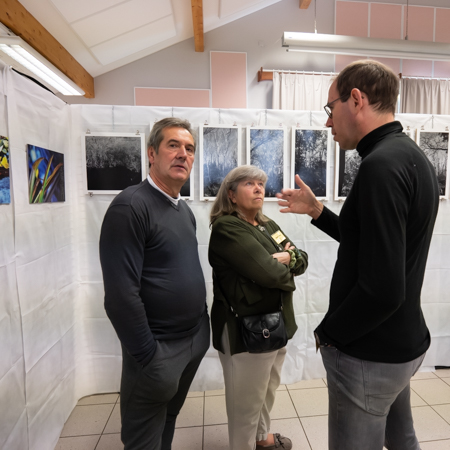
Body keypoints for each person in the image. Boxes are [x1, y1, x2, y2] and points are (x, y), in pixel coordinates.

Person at [277, 60, 439, 450]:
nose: (329, 123)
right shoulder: (410, 156)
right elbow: (370, 242)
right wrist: (318, 212)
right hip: (400, 343)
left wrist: (330, 335)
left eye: (330, 110)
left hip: (370, 351)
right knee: (403, 441)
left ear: (356, 99)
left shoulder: (381, 165)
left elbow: (384, 289)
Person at [99, 117, 210, 450]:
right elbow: (120, 297)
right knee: (143, 439)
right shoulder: (131, 207)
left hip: (192, 341)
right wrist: (149, 356)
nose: (182, 154)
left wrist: (200, 330)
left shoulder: (183, 210)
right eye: (173, 145)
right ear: (151, 153)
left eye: (189, 148)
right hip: (158, 350)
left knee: (168, 420)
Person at [208, 165, 308, 450]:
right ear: (232, 194)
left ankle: (262, 440)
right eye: (249, 184)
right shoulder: (228, 227)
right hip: (245, 330)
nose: (258, 189)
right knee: (245, 405)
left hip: (275, 326)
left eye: (261, 184)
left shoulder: (267, 225)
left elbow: (300, 257)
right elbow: (269, 273)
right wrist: (285, 266)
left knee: (266, 391)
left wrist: (288, 258)